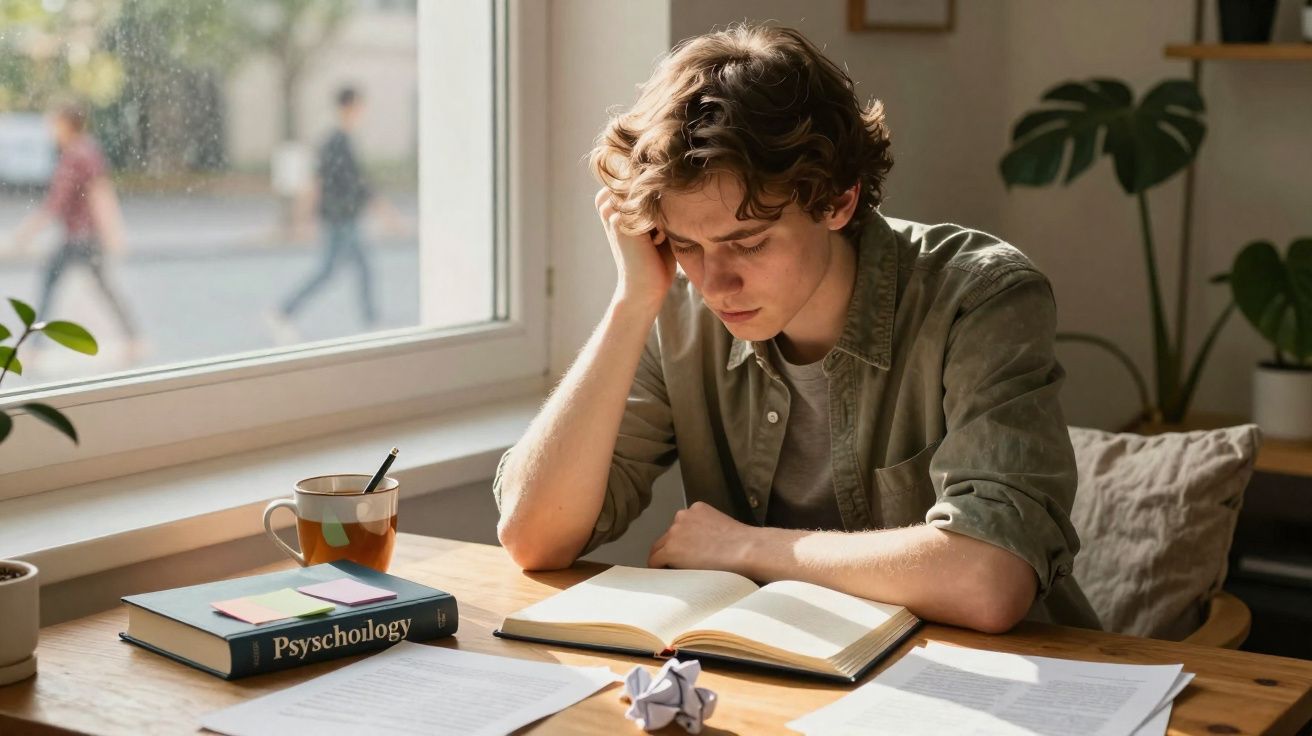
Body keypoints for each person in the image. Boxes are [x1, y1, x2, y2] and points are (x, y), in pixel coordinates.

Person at [492, 24, 1101, 634]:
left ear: (837, 200)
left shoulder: (980, 298)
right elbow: (532, 537)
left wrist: (748, 547)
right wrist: (631, 302)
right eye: (686, 244)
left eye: (749, 243)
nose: (714, 283)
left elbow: (989, 580)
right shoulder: (676, 310)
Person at [270, 86, 401, 342]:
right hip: (339, 218)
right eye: (359, 107)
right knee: (332, 270)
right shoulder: (336, 142)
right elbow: (323, 181)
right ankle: (283, 312)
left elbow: (357, 184)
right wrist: (301, 218)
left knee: (356, 268)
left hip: (344, 217)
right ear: (349, 107)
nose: (362, 113)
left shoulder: (341, 140)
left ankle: (371, 320)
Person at [8, 101, 140, 353]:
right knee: (100, 286)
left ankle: (34, 346)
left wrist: (25, 233)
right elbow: (97, 192)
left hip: (80, 236)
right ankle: (133, 338)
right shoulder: (86, 150)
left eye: (53, 123)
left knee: (50, 283)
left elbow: (69, 200)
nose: (50, 130)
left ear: (67, 125)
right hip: (84, 235)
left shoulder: (76, 155)